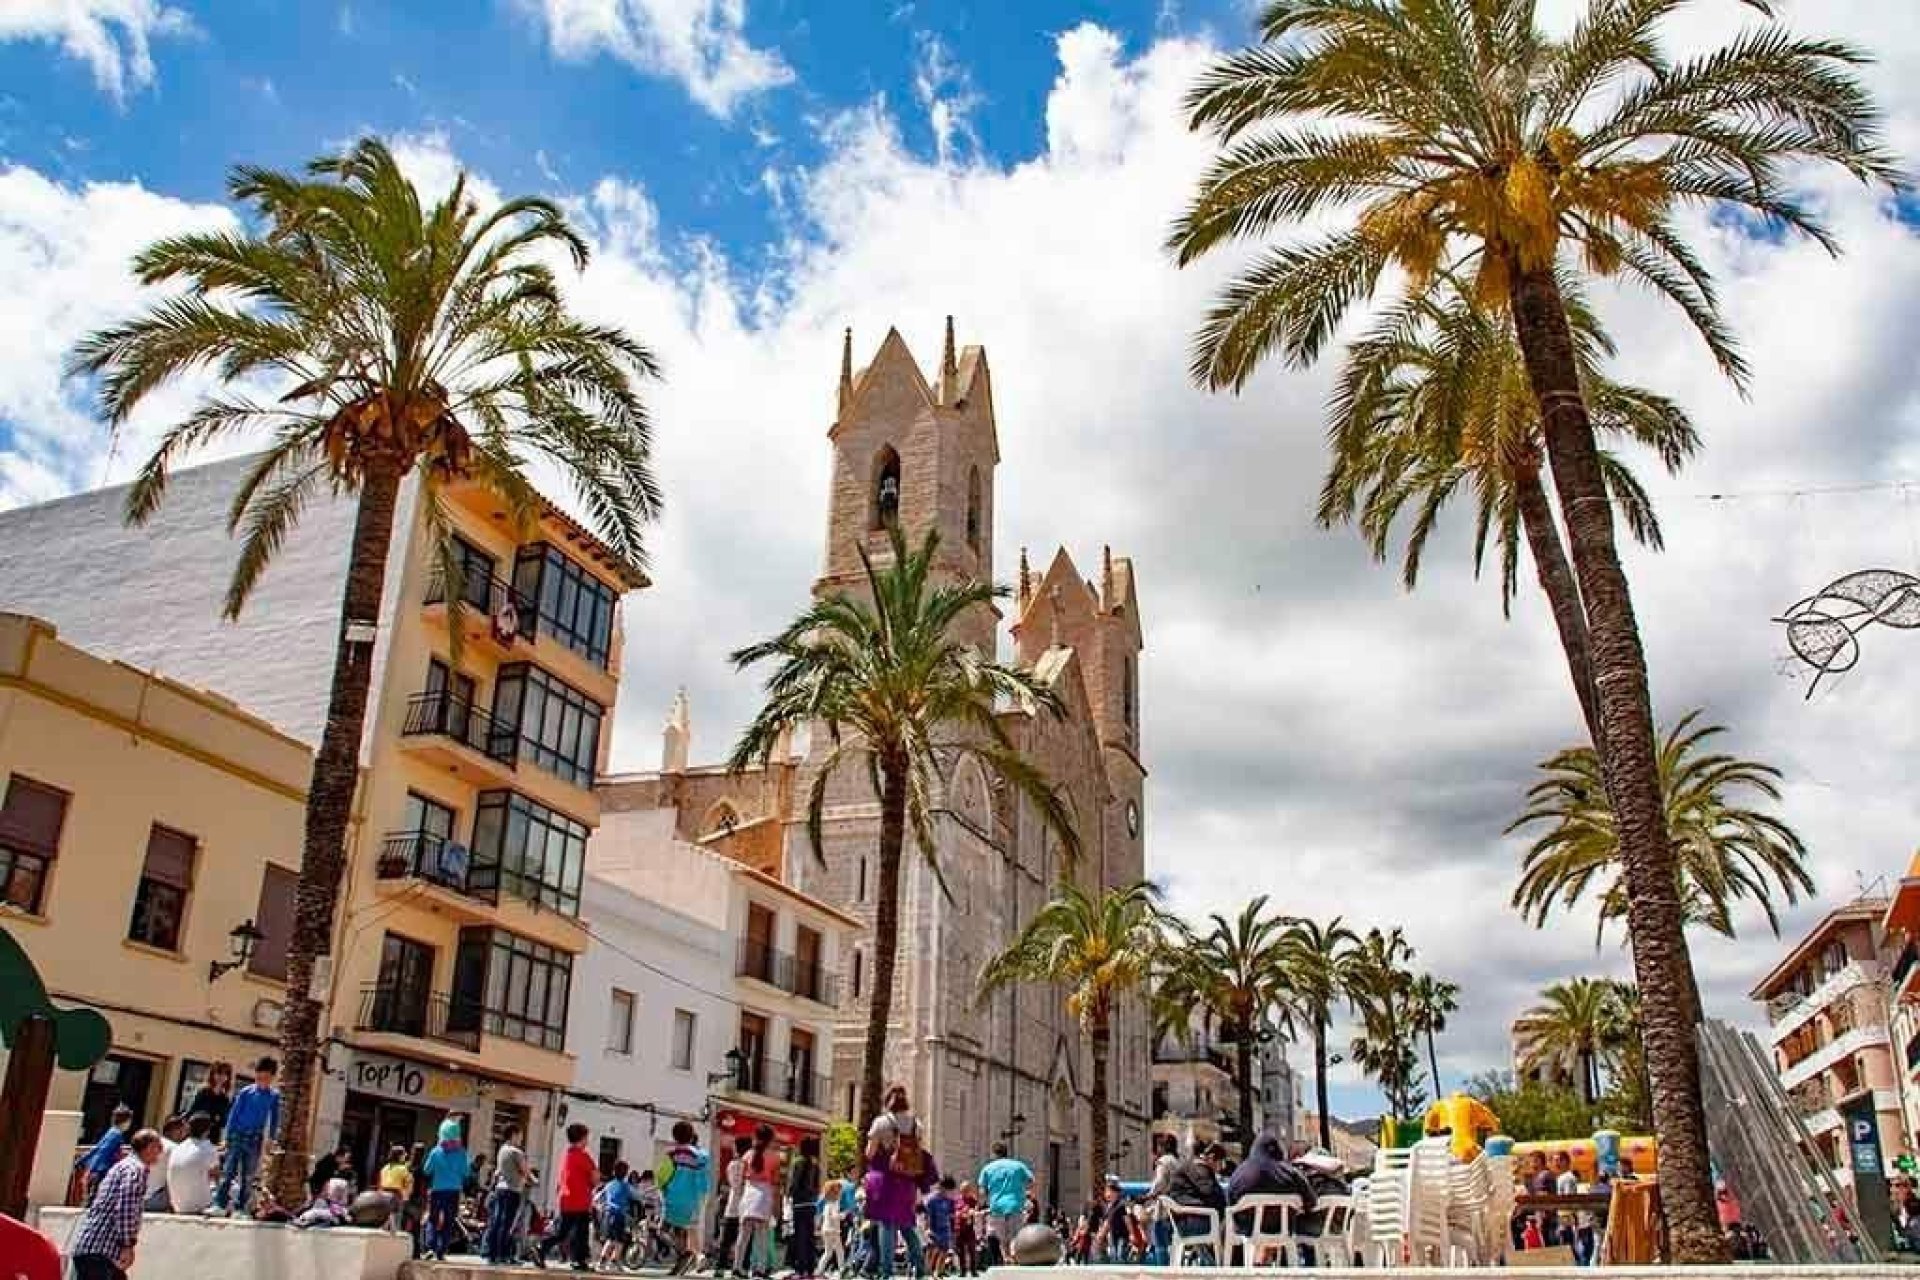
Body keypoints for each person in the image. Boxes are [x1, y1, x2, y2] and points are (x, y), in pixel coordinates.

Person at [66, 1128, 164, 1280]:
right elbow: (126, 1208)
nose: (161, 1152)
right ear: (149, 1147)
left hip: (94, 1247)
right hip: (101, 1251)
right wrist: (127, 1244)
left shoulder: (123, 1166)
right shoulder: (136, 1170)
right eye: (159, 1147)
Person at [865, 1086, 936, 1279]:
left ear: (888, 1101)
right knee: (906, 1224)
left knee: (886, 1224)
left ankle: (886, 1271)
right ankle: (921, 1268)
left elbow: (870, 1153)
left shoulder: (881, 1122)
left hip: (884, 1179)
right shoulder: (916, 1124)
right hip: (907, 1181)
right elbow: (918, 1153)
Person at [210, 1056, 279, 1216]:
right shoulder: (246, 1092)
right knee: (228, 1172)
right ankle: (219, 1204)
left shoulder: (273, 1096)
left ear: (272, 1078)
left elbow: (275, 1119)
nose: (262, 1081)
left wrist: (271, 1139)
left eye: (266, 1078)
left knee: (248, 1176)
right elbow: (233, 1115)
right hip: (237, 1135)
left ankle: (241, 1208)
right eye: (259, 1077)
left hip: (255, 1138)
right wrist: (226, 1137)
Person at [534, 1121, 596, 1271]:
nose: (588, 1140)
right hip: (580, 1200)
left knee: (563, 1232)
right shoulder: (583, 1156)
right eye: (586, 1137)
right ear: (582, 1138)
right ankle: (578, 1260)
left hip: (566, 1199)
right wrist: (592, 1185)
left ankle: (542, 1247)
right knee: (581, 1232)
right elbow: (595, 1177)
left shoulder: (567, 1155)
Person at [658, 1119, 711, 1276]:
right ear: (691, 1136)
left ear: (674, 1137)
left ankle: (682, 1253)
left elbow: (661, 1178)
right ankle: (690, 1256)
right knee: (688, 1229)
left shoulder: (671, 1155)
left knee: (663, 1231)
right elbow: (704, 1181)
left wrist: (663, 1191)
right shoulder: (701, 1157)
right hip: (692, 1201)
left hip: (672, 1201)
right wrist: (702, 1198)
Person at [1167, 1142, 1228, 1263]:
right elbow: (1210, 1192)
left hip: (1185, 1221)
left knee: (1225, 1222)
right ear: (1211, 1158)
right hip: (1193, 1223)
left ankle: (1214, 1263)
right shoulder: (1200, 1169)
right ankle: (1226, 1265)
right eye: (1220, 1163)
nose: (1221, 1168)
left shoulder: (1191, 1166)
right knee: (1232, 1226)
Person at [975, 1141, 1034, 1263]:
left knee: (1000, 1238)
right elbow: (1031, 1181)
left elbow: (982, 1191)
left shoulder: (987, 1168)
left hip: (996, 1206)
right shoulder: (1018, 1166)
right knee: (1015, 1236)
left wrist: (983, 1203)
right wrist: (1028, 1197)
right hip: (1016, 1205)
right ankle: (1013, 1257)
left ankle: (1006, 1258)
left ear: (994, 1154)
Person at [422, 1117, 471, 1260]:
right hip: (454, 1191)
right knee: (449, 1221)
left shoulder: (436, 1151)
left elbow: (427, 1170)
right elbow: (466, 1172)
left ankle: (430, 1246)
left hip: (437, 1190)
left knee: (433, 1219)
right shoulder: (461, 1152)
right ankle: (441, 1251)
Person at [735, 1124, 780, 1278]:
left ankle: (737, 1267)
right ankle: (759, 1269)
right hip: (764, 1193)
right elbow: (775, 1182)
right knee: (762, 1235)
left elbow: (740, 1179)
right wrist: (776, 1205)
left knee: (743, 1234)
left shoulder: (747, 1154)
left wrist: (740, 1198)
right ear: (770, 1139)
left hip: (748, 1192)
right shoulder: (774, 1157)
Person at [485, 1124, 531, 1263]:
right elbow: (525, 1171)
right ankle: (504, 1255)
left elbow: (498, 1171)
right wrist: (533, 1179)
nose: (521, 1138)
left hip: (500, 1189)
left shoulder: (502, 1150)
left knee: (497, 1221)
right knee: (508, 1224)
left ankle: (492, 1254)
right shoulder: (516, 1152)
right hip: (512, 1190)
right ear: (513, 1135)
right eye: (520, 1135)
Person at [74, 1106, 134, 1205]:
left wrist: (82, 1160)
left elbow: (97, 1148)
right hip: (103, 1171)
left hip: (100, 1170)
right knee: (97, 1199)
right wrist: (93, 1169)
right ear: (126, 1121)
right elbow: (103, 1151)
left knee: (94, 1198)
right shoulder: (116, 1135)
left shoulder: (111, 1132)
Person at [165, 1113, 219, 1217]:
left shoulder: (177, 1148)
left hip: (177, 1206)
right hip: (199, 1207)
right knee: (232, 1190)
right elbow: (216, 1177)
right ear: (207, 1131)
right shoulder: (209, 1148)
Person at [786, 1134, 822, 1279]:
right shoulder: (815, 1164)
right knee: (809, 1237)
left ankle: (800, 1269)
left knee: (799, 1236)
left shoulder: (797, 1162)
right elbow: (817, 1186)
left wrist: (789, 1196)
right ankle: (810, 1268)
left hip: (799, 1203)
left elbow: (793, 1184)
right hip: (811, 1203)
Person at [1145, 1133, 1179, 1265]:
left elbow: (1159, 1183)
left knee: (1160, 1243)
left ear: (1164, 1147)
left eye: (1158, 1145)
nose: (1156, 1149)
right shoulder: (1176, 1161)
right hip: (1175, 1209)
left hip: (1163, 1209)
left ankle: (1163, 1272)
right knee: (1172, 1244)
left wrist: (1147, 1196)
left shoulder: (1164, 1161)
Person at [598, 1159, 636, 1272]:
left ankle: (602, 1261)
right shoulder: (625, 1186)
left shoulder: (609, 1185)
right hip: (619, 1215)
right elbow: (636, 1196)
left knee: (610, 1239)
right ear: (625, 1173)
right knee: (620, 1240)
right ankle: (614, 1261)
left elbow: (598, 1198)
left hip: (608, 1215)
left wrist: (602, 1207)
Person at [143, 1116, 186, 1212]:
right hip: (154, 1200)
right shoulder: (174, 1148)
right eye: (182, 1131)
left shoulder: (149, 1143)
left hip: (139, 1199)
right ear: (174, 1130)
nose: (183, 1135)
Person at [185, 1063, 233, 1144]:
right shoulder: (203, 1092)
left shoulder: (225, 1098)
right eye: (219, 1073)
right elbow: (191, 1111)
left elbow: (223, 1122)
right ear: (213, 1074)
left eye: (225, 1074)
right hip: (197, 1133)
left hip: (213, 1137)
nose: (222, 1076)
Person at [924, 1176, 957, 1276]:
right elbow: (927, 1216)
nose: (950, 1193)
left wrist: (952, 1230)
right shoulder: (932, 1200)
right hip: (934, 1229)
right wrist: (927, 1229)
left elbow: (951, 1215)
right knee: (933, 1250)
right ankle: (927, 1272)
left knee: (944, 1251)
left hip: (945, 1229)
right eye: (948, 1190)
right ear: (943, 1187)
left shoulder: (949, 1201)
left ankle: (938, 1272)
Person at [378, 1145, 415, 1231]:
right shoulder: (403, 1169)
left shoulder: (385, 1168)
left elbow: (381, 1183)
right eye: (404, 1154)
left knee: (384, 1222)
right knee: (395, 1224)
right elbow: (409, 1183)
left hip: (382, 1197)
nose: (405, 1155)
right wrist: (406, 1196)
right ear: (399, 1156)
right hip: (396, 1197)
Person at [819, 1178, 848, 1276]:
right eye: (839, 1192)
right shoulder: (835, 1204)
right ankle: (841, 1269)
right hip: (833, 1231)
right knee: (839, 1251)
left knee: (828, 1252)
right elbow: (835, 1216)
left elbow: (825, 1217)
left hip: (826, 1230)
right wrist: (843, 1215)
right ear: (834, 1192)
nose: (840, 1194)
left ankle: (819, 1270)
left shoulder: (827, 1204)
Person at [953, 1183, 980, 1276]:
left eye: (967, 1190)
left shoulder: (973, 1200)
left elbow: (976, 1209)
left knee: (972, 1250)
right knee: (960, 1251)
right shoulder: (956, 1200)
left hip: (969, 1228)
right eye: (963, 1190)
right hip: (959, 1228)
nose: (965, 1192)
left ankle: (973, 1270)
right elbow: (954, 1211)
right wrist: (960, 1213)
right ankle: (962, 1271)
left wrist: (972, 1213)